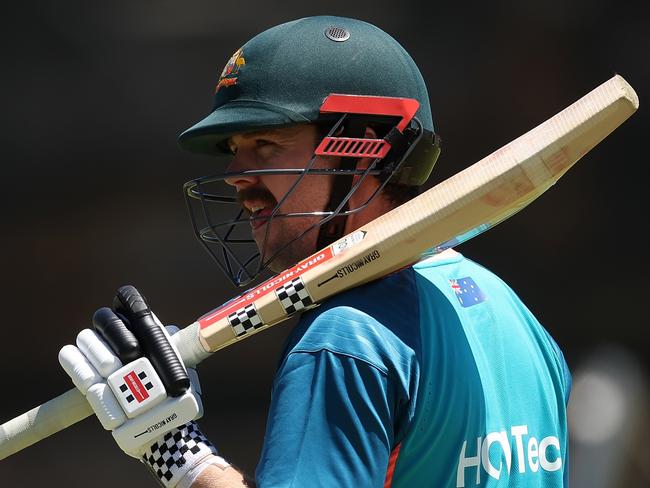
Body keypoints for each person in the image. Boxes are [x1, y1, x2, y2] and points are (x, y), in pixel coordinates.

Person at [58, 15, 571, 488]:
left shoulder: (344, 340)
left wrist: (179, 453)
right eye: (234, 151)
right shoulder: (514, 316)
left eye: (266, 144)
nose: (237, 176)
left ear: (363, 145)